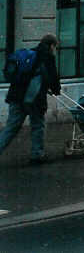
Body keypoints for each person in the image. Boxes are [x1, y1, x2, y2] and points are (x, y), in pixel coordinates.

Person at [0, 34, 62, 164]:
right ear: (51, 45)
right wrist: (56, 90)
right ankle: (37, 155)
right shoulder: (47, 57)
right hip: (34, 99)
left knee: (11, 128)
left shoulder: (29, 54)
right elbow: (53, 79)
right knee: (37, 125)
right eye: (55, 47)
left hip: (16, 97)